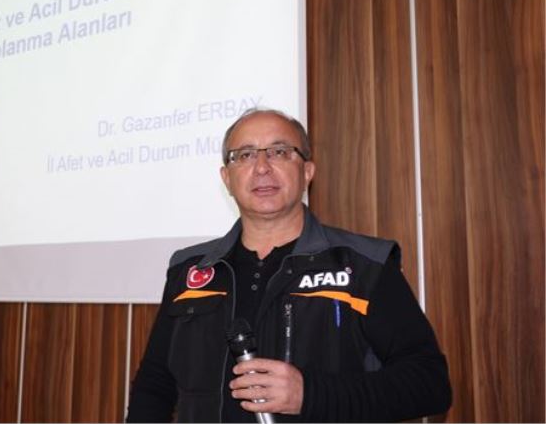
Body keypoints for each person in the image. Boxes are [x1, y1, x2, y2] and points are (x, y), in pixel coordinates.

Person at [126, 108, 451, 422]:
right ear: (227, 178)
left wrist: (310, 394)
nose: (262, 167)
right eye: (245, 155)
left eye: (279, 152)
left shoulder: (365, 266)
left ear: (307, 172)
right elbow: (155, 386)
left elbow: (429, 385)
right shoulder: (190, 271)